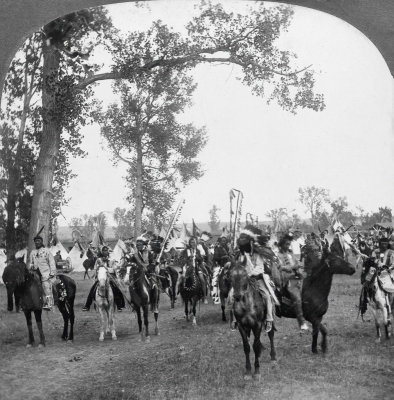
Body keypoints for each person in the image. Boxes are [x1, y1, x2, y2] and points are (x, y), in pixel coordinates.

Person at [233, 226, 278, 333]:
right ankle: (235, 319)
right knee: (232, 295)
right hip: (243, 280)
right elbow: (238, 266)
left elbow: (260, 267)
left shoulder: (258, 253)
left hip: (258, 279)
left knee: (267, 296)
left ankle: (269, 319)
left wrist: (249, 274)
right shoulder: (240, 255)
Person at [277, 233, 309, 331]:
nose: (288, 246)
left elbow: (296, 263)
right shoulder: (278, 255)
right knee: (296, 295)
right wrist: (292, 267)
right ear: (281, 244)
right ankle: (301, 321)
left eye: (289, 244)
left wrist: (299, 269)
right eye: (286, 244)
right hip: (286, 279)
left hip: (295, 277)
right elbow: (280, 267)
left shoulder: (290, 253)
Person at [82, 246, 125, 311]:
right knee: (93, 289)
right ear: (102, 252)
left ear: (108, 252)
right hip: (101, 277)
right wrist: (99, 269)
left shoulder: (112, 260)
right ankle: (87, 305)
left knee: (115, 289)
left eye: (106, 251)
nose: (105, 252)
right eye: (104, 251)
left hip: (110, 278)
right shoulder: (98, 260)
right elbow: (95, 268)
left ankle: (120, 305)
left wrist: (107, 269)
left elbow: (114, 269)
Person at [28, 235, 57, 310]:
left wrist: (52, 273)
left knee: (46, 286)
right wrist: (31, 266)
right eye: (36, 241)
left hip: (46, 273)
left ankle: (49, 304)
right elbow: (31, 263)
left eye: (39, 241)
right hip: (35, 273)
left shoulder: (46, 251)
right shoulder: (32, 252)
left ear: (41, 242)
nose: (37, 242)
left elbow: (52, 262)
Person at [179, 237, 209, 304]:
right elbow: (182, 260)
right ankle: (182, 295)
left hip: (196, 268)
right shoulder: (186, 251)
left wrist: (197, 257)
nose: (193, 244)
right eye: (192, 242)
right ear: (189, 243)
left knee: (202, 279)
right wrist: (189, 258)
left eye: (195, 242)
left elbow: (201, 260)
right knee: (181, 279)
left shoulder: (198, 251)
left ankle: (204, 297)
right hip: (187, 268)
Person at [212, 236, 232, 304]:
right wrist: (222, 257)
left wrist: (231, 255)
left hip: (229, 265)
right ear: (220, 241)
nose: (224, 242)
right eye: (222, 241)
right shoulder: (217, 248)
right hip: (220, 265)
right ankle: (216, 295)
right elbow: (215, 257)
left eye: (225, 241)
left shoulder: (228, 248)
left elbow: (231, 255)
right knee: (215, 279)